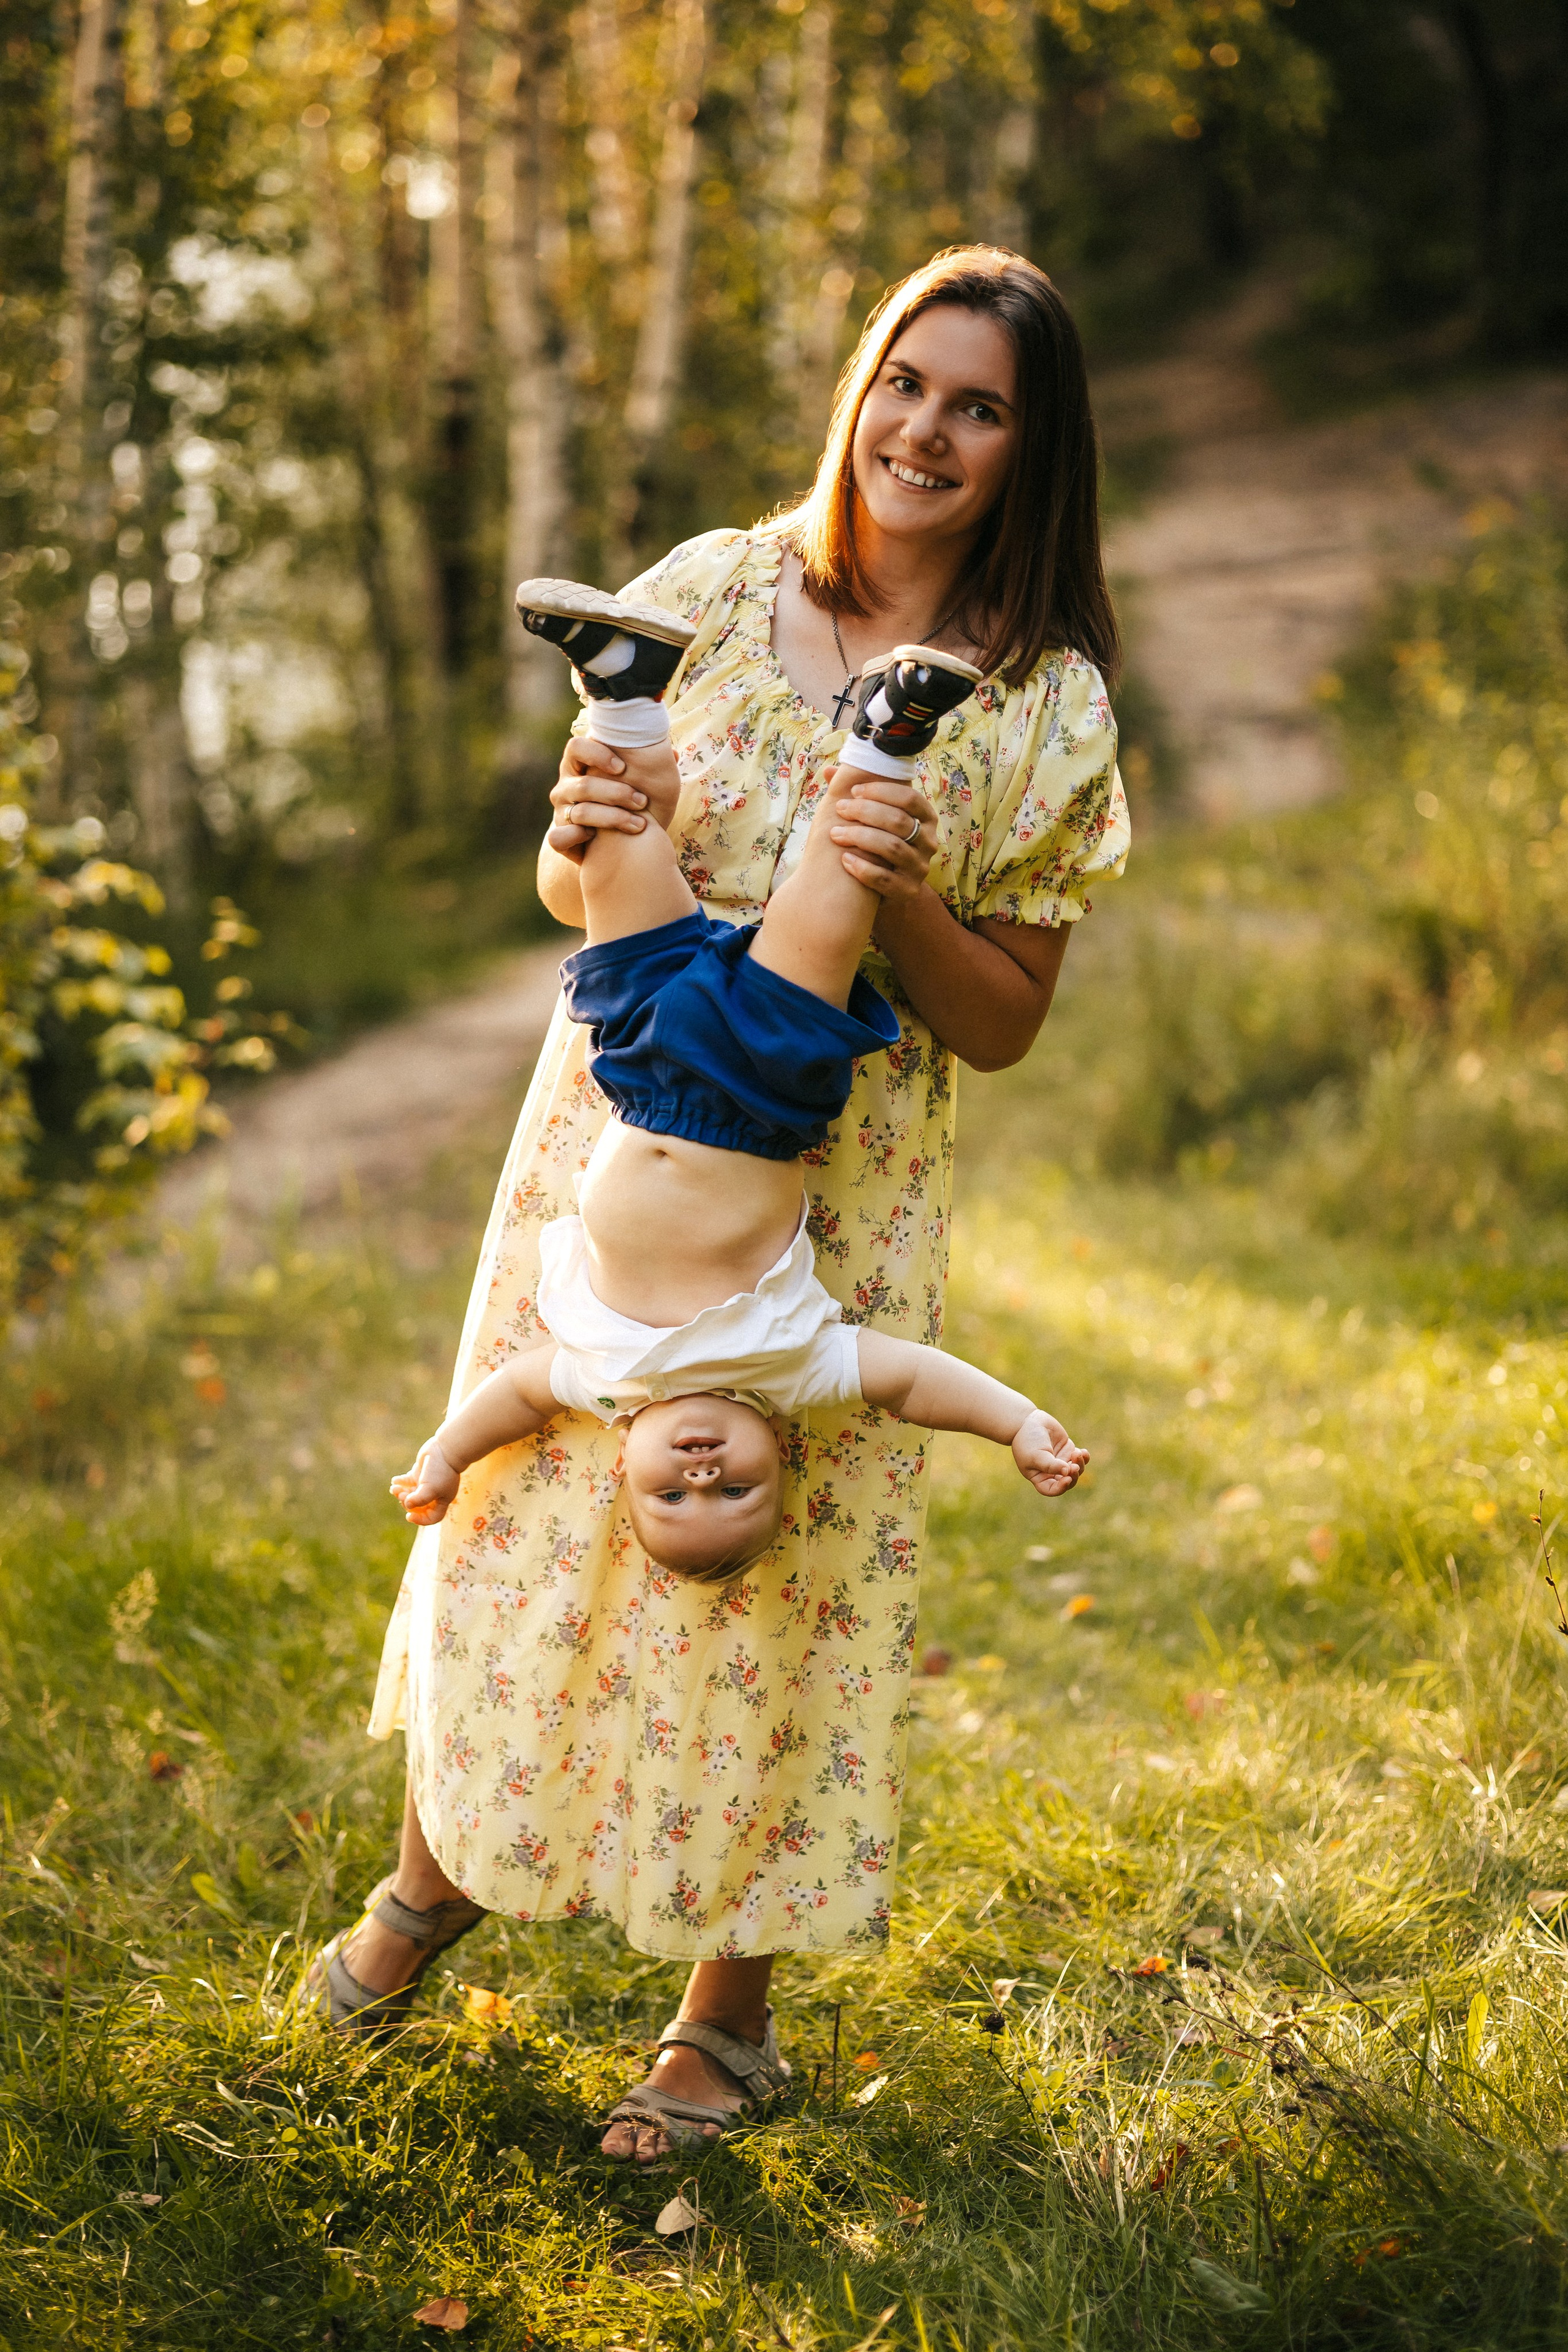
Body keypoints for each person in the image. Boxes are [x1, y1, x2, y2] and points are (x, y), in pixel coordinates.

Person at [321, 245, 1128, 2165]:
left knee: (781, 1574)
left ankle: (725, 2020)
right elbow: (574, 889)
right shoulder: (709, 585)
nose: (926, 429)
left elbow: (1005, 1026)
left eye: (981, 407)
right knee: (522, 1518)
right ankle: (438, 1875)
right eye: (906, 383)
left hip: (835, 1194)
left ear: (1034, 450)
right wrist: (578, 837)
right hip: (610, 1151)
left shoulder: (1048, 707)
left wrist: (896, 884)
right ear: (861, 390)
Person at [386, 605, 1090, 1595]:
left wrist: (446, 1455)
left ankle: (627, 693)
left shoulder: (600, 1378)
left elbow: (510, 1395)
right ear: (781, 1456)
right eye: (737, 1491)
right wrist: (1017, 1423)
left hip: (637, 1070)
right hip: (762, 1089)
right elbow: (913, 1380)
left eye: (671, 1497)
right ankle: (888, 737)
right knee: (831, 899)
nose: (703, 1475)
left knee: (620, 859)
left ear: (623, 1465)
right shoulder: (789, 1366)